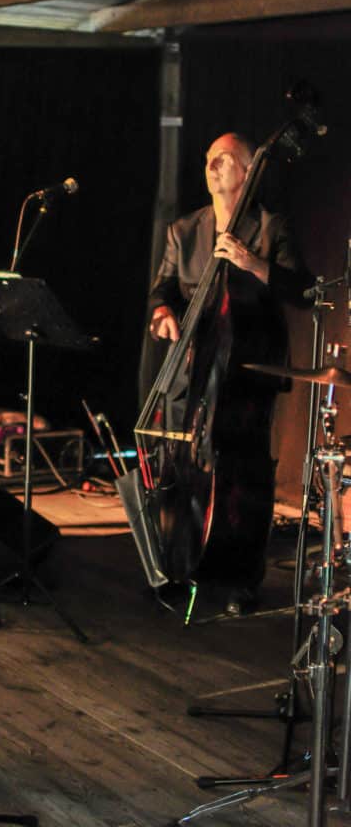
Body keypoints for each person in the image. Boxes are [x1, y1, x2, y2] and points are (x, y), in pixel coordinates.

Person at [148, 132, 310, 613]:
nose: (211, 166)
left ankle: (241, 576)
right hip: (192, 370)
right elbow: (161, 290)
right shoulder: (184, 230)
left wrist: (253, 264)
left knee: (244, 477)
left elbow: (302, 291)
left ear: (248, 169)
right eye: (208, 159)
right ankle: (178, 562)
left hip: (244, 376)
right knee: (181, 472)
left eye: (222, 159)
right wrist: (163, 314)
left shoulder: (270, 227)